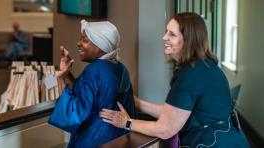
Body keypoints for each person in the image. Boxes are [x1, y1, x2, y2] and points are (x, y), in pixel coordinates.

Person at [99, 12, 249, 147]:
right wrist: (137, 103)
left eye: (172, 34)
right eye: (166, 32)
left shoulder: (191, 76)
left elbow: (165, 129)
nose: (164, 37)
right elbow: (175, 113)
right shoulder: (204, 65)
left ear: (188, 40)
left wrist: (126, 122)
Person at [48, 20, 137, 148]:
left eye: (84, 40)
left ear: (100, 44)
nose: (78, 43)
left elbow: (73, 115)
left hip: (93, 141)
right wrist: (64, 74)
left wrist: (57, 77)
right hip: (117, 140)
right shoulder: (121, 69)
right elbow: (81, 91)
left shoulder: (94, 71)